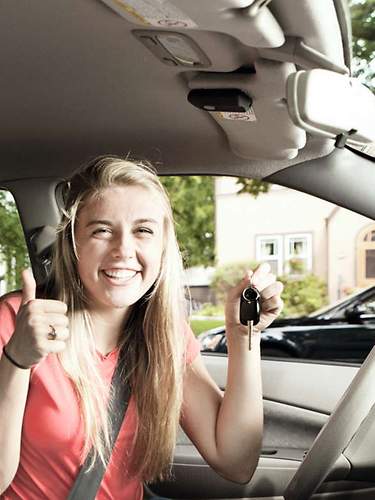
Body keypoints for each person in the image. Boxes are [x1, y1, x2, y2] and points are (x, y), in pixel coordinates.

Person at [0, 156, 283, 499]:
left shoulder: (166, 333)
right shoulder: (15, 320)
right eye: (102, 230)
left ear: (163, 247)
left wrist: (242, 337)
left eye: (143, 231)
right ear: (73, 243)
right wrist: (17, 361)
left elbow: (236, 462)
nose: (123, 250)